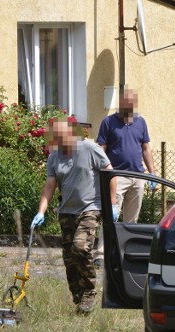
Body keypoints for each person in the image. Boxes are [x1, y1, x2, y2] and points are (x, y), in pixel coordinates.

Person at [30, 116, 118, 314]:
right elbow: (50, 186)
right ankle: (79, 297)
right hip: (66, 212)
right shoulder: (54, 156)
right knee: (69, 258)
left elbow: (110, 174)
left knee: (80, 247)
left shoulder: (90, 149)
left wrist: (112, 204)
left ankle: (88, 294)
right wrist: (41, 211)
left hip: (90, 209)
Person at [93, 87, 156, 265]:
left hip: (137, 177)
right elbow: (101, 150)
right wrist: (103, 172)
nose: (125, 109)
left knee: (132, 220)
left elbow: (145, 149)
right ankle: (100, 255)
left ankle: (126, 254)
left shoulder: (141, 122)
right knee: (110, 217)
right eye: (123, 105)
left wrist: (152, 173)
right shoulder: (108, 122)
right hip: (116, 177)